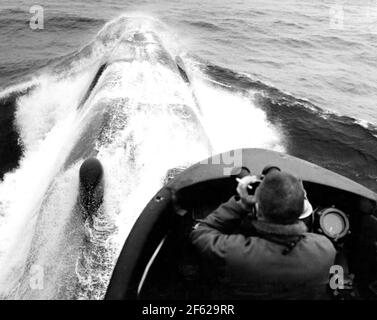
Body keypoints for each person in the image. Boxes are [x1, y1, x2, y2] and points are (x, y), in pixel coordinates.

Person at [190, 170, 336, 299]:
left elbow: (200, 232)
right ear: (301, 211)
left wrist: (240, 205)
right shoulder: (325, 250)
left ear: (257, 209)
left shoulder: (233, 253)